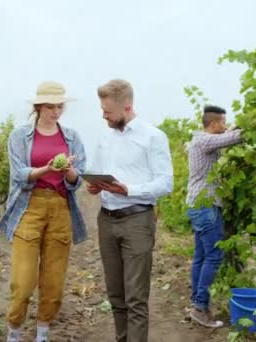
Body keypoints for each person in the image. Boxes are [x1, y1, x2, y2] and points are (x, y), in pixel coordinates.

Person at [0, 81, 88, 342]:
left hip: (61, 208)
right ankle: (14, 331)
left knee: (54, 282)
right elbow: (19, 176)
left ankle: (42, 334)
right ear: (38, 107)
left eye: (60, 106)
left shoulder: (72, 137)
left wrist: (69, 171)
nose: (56, 112)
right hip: (30, 207)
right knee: (23, 282)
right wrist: (47, 169)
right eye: (51, 107)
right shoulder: (19, 136)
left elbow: (77, 181)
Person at [86, 79, 173, 342]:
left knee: (135, 297)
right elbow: (99, 173)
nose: (104, 116)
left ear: (127, 107)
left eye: (108, 112)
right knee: (116, 295)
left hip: (137, 220)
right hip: (107, 220)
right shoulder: (104, 139)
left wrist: (129, 190)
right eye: (102, 111)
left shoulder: (153, 137)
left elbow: (166, 183)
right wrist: (95, 186)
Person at [185, 105, 243, 328]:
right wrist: (254, 128)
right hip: (204, 206)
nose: (225, 126)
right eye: (223, 122)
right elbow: (235, 138)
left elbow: (227, 136)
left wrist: (232, 130)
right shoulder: (203, 141)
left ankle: (197, 303)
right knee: (214, 255)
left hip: (202, 206)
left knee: (201, 255)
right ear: (214, 124)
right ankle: (200, 306)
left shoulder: (202, 140)